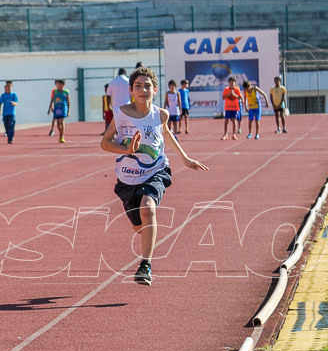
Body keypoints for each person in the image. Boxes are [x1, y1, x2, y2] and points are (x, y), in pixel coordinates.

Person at [100, 66, 208, 286]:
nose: (143, 90)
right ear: (131, 90)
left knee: (148, 207)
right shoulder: (120, 114)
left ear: (155, 90)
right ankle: (146, 238)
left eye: (147, 86)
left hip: (155, 170)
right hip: (128, 177)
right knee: (139, 226)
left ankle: (145, 265)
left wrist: (185, 159)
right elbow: (105, 143)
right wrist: (127, 149)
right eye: (138, 86)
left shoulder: (160, 114)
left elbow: (166, 135)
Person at [48, 79, 71, 143]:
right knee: (58, 122)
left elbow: (68, 101)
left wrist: (68, 111)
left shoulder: (66, 92)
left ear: (63, 84)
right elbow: (52, 100)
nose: (57, 85)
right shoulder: (55, 92)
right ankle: (60, 133)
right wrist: (50, 107)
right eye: (56, 84)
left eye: (59, 84)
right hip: (57, 108)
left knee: (62, 120)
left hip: (63, 108)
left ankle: (62, 136)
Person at [221, 76, 242, 140]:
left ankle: (234, 134)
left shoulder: (237, 89)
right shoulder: (226, 89)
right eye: (231, 83)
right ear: (229, 83)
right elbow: (223, 98)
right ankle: (225, 134)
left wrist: (234, 94)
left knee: (234, 120)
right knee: (226, 121)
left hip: (235, 107)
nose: (232, 84)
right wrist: (229, 94)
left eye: (233, 83)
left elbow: (240, 97)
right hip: (228, 107)